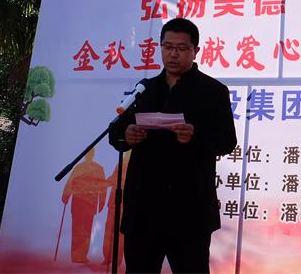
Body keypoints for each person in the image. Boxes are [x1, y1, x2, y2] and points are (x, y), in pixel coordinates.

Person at [109, 17, 237, 273]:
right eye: (167, 47)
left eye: (181, 48)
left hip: (189, 211)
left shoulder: (213, 91)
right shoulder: (144, 89)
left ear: (195, 51)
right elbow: (115, 132)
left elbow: (227, 141)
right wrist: (127, 135)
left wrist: (195, 136)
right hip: (143, 210)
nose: (173, 54)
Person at [61, 148, 106, 263]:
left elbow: (102, 187)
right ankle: (76, 256)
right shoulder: (80, 168)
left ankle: (81, 256)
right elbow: (70, 182)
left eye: (90, 153)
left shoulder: (97, 168)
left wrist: (101, 202)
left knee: (85, 229)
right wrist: (66, 195)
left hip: (88, 203)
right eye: (88, 153)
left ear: (92, 154)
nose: (89, 155)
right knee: (78, 229)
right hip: (79, 202)